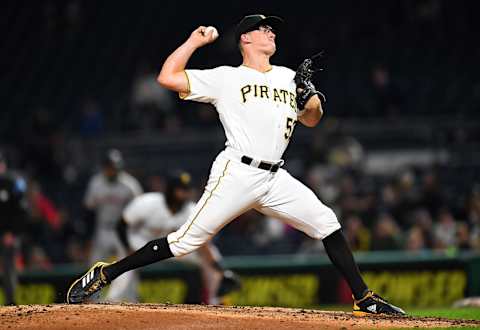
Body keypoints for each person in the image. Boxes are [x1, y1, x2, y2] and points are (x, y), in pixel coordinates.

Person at [67, 14, 405, 316]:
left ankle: (364, 298)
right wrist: (194, 41)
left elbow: (313, 119)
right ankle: (105, 273)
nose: (271, 31)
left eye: (272, 28)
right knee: (186, 242)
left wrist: (311, 96)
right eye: (263, 28)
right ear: (245, 39)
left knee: (327, 222)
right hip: (238, 171)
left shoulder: (288, 77)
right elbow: (167, 78)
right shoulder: (226, 77)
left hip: (275, 177)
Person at [115, 170, 241, 303]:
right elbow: (122, 224)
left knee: (211, 254)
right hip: (143, 246)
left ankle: (217, 300)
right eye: (181, 189)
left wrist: (218, 268)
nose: (185, 194)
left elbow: (203, 244)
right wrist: (127, 247)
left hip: (175, 250)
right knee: (126, 258)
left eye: (187, 190)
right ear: (171, 189)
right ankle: (115, 300)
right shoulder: (148, 202)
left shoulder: (192, 210)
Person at [83, 148, 143, 301]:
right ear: (104, 167)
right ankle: (92, 301)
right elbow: (88, 211)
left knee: (127, 264)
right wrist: (87, 238)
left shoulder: (130, 185)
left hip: (122, 230)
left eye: (115, 166)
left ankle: (131, 299)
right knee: (94, 265)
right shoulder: (96, 183)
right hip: (102, 229)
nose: (112, 170)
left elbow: (141, 211)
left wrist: (135, 236)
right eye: (109, 166)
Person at [0, 151, 28, 305]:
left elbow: (21, 211)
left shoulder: (12, 182)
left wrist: (12, 232)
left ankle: (10, 304)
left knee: (8, 268)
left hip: (9, 234)